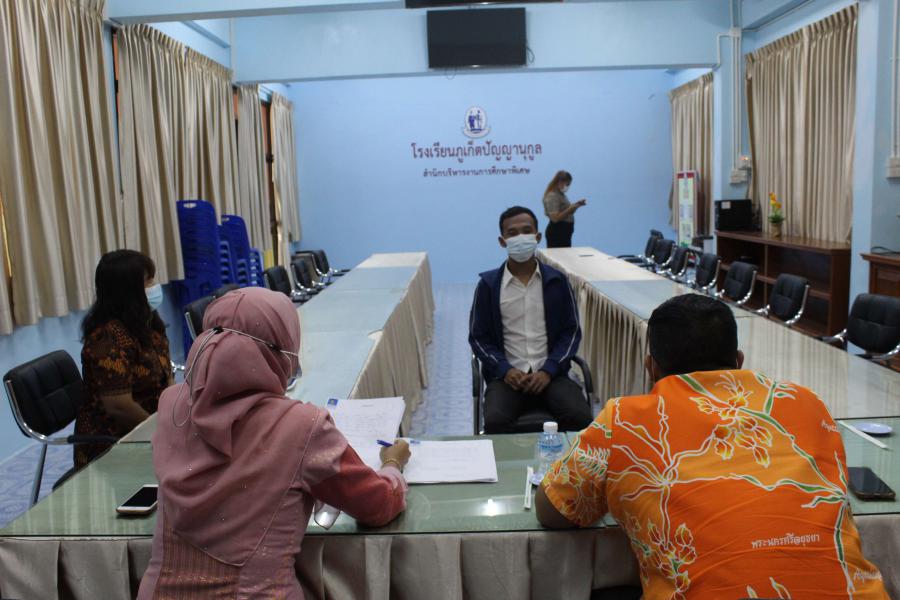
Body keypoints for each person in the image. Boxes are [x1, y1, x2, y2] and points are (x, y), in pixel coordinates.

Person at [537, 294, 889, 599]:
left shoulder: (624, 420)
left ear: (650, 368)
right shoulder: (806, 403)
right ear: (739, 361)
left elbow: (554, 509)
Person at [138, 287, 410, 598]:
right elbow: (377, 504)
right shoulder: (302, 427)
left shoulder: (171, 407)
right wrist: (393, 463)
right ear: (279, 353)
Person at [469, 206, 593, 434]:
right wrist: (504, 369)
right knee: (495, 421)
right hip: (507, 378)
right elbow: (478, 338)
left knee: (580, 416)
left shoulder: (558, 282)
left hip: (552, 375)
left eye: (526, 231)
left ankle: (566, 459)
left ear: (537, 237)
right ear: (502, 241)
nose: (520, 237)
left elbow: (571, 332)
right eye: (512, 233)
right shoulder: (488, 286)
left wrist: (549, 369)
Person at [76, 250, 172, 469]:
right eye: (148, 282)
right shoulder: (107, 339)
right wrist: (160, 434)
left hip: (153, 428)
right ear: (128, 291)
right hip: (116, 441)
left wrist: (173, 418)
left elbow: (166, 376)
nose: (155, 287)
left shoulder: (147, 322)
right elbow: (119, 407)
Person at [542, 170, 587, 248]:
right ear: (559, 182)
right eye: (567, 184)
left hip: (564, 232)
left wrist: (576, 205)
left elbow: (567, 212)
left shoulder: (561, 195)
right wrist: (570, 209)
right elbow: (555, 219)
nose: (567, 187)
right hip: (557, 232)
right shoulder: (552, 196)